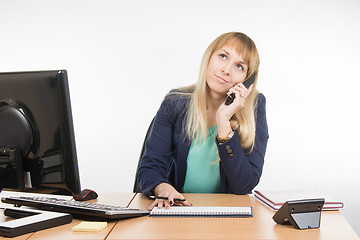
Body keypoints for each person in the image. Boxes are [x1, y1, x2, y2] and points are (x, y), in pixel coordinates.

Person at [137, 32, 269, 210]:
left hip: (226, 215)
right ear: (209, 57)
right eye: (223, 56)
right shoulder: (175, 103)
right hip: (178, 211)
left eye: (239, 66)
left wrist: (223, 122)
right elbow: (149, 167)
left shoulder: (255, 106)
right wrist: (163, 188)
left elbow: (244, 185)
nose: (226, 70)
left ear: (247, 79)